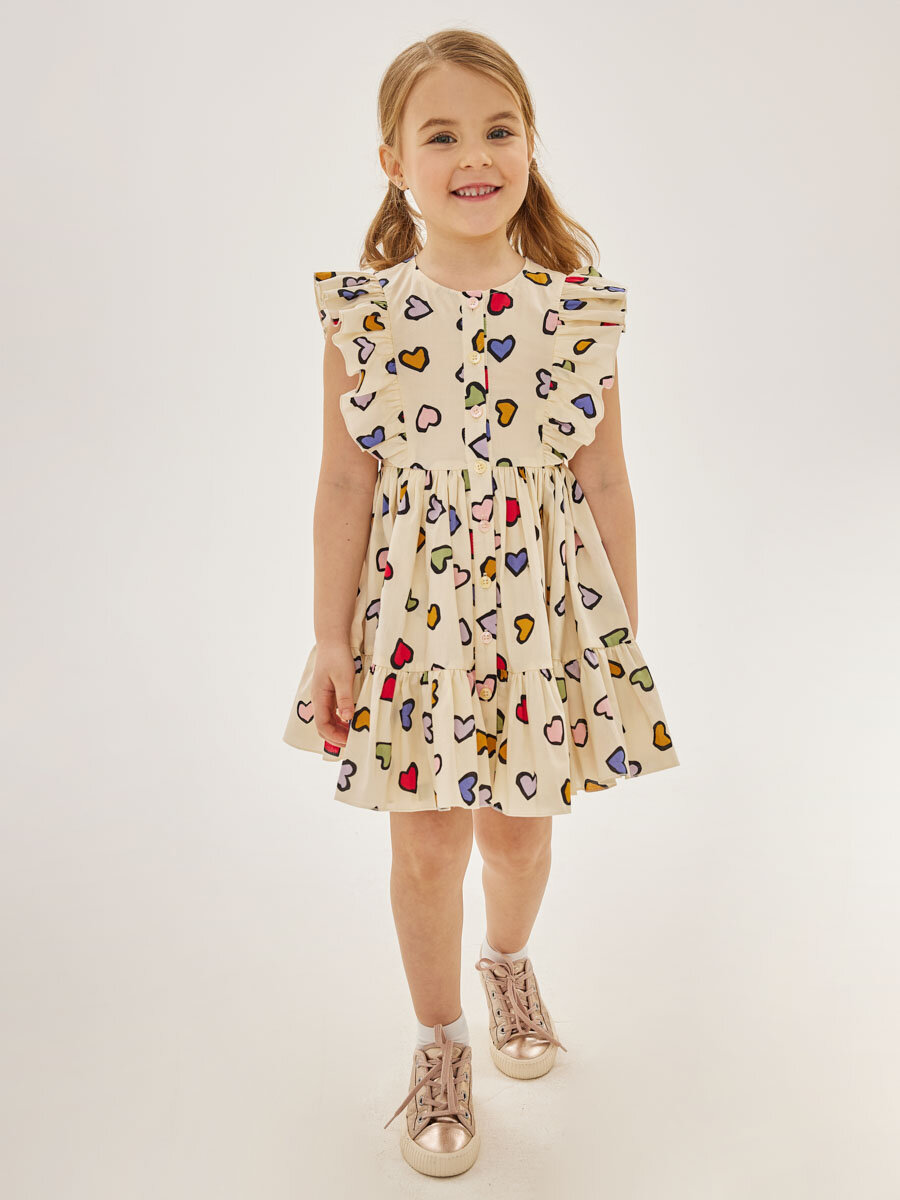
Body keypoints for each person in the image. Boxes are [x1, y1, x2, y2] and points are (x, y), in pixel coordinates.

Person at [282, 28, 680, 1177]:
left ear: (530, 144)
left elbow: (606, 481)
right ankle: (439, 1041)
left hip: (536, 627)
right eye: (442, 135)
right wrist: (328, 639)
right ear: (394, 161)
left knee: (516, 838)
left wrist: (616, 641)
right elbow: (344, 483)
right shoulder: (365, 316)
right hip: (412, 626)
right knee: (425, 850)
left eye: (498, 130)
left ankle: (507, 967)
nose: (474, 156)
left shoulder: (576, 314)